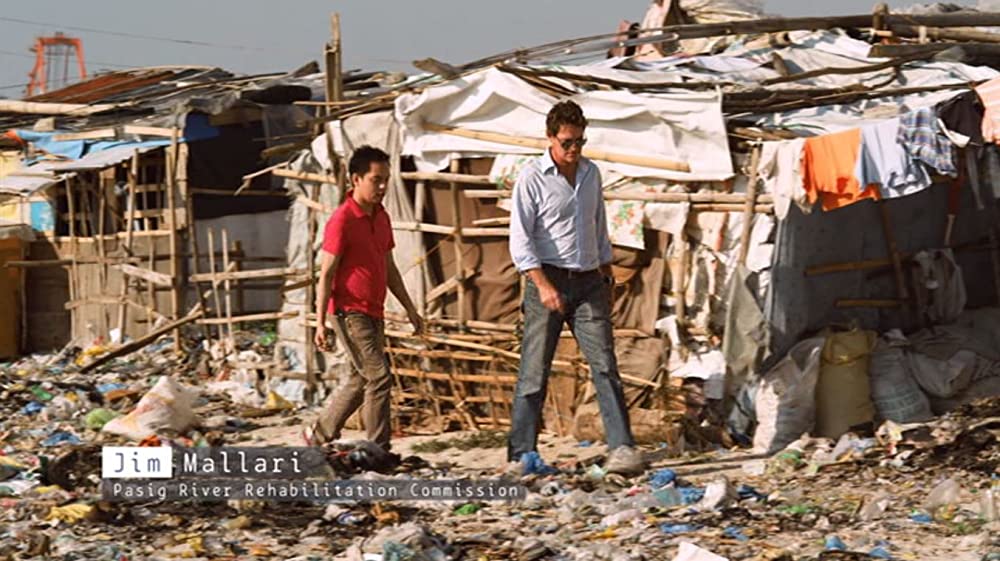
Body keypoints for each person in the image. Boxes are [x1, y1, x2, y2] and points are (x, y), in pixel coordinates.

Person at [508, 100, 645, 475]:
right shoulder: (532, 177)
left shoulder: (590, 173)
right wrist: (542, 284)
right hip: (547, 279)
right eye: (567, 142)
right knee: (534, 372)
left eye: (579, 142)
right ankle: (521, 454)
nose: (573, 150)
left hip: (588, 281)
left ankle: (622, 447)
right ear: (551, 138)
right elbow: (520, 240)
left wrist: (606, 272)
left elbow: (597, 224)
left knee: (605, 367)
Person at [304, 145, 423, 451]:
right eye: (376, 180)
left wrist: (411, 309)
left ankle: (318, 436)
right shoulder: (342, 220)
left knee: (361, 379)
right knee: (380, 376)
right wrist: (320, 323)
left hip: (374, 309)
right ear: (356, 179)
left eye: (386, 180)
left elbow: (389, 268)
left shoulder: (381, 217)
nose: (382, 187)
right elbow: (326, 274)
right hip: (348, 310)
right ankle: (377, 448)